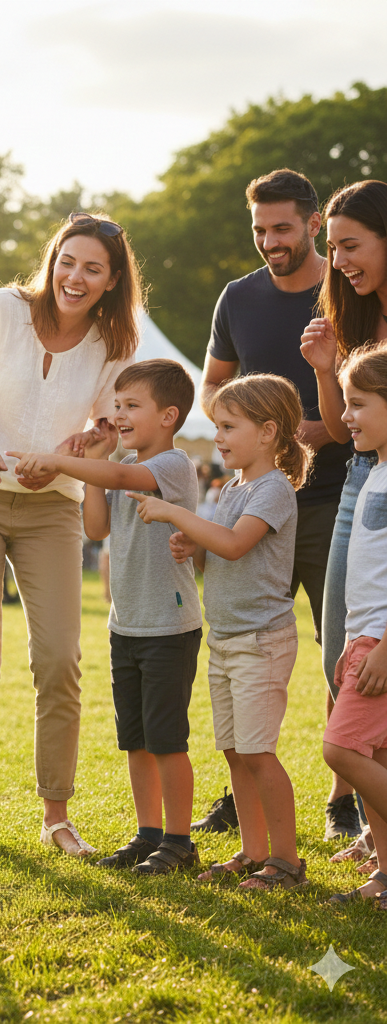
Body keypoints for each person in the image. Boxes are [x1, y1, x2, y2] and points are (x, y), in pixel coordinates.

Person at [0, 211, 142, 856]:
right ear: (53, 261)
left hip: (53, 506)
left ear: (111, 282)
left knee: (58, 660)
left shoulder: (114, 345)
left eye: (93, 270)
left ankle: (56, 814)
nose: (75, 277)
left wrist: (88, 439)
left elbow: (104, 428)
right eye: (68, 262)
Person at [198, 167, 356, 840]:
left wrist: (319, 432)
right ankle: (241, 797)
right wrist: (252, 435)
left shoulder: (348, 292)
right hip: (257, 498)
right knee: (242, 639)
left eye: (283, 229)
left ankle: (342, 799)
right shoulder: (237, 298)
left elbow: (366, 397)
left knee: (338, 651)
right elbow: (211, 390)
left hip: (331, 499)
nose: (270, 242)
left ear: (314, 224)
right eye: (260, 230)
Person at [10, 359, 203, 874]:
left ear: (168, 416)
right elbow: (96, 527)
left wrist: (60, 461)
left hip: (168, 627)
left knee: (167, 740)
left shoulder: (171, 466)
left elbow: (120, 474)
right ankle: (149, 834)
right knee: (135, 740)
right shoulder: (116, 469)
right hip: (127, 626)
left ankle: (180, 841)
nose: (118, 413)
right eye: (116, 405)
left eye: (131, 405)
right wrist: (92, 461)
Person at [132, 374, 311, 890]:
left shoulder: (273, 488)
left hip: (261, 641)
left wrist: (176, 513)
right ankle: (253, 851)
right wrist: (195, 545)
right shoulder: (235, 487)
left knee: (258, 753)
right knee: (235, 752)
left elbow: (235, 545)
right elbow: (224, 553)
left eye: (229, 426)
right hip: (227, 639)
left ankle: (286, 862)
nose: (219, 437)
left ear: (268, 431)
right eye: (217, 426)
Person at [301, 179, 387, 868]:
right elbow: (341, 432)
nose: (341, 262)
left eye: (352, 245)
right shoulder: (355, 318)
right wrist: (329, 372)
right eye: (333, 249)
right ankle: (374, 828)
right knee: (343, 654)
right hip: (360, 484)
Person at [319, 345, 387, 906]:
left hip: (383, 645)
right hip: (363, 640)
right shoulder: (375, 471)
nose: (346, 417)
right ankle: (386, 878)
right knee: (375, 760)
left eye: (358, 404)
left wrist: (384, 646)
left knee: (341, 751)